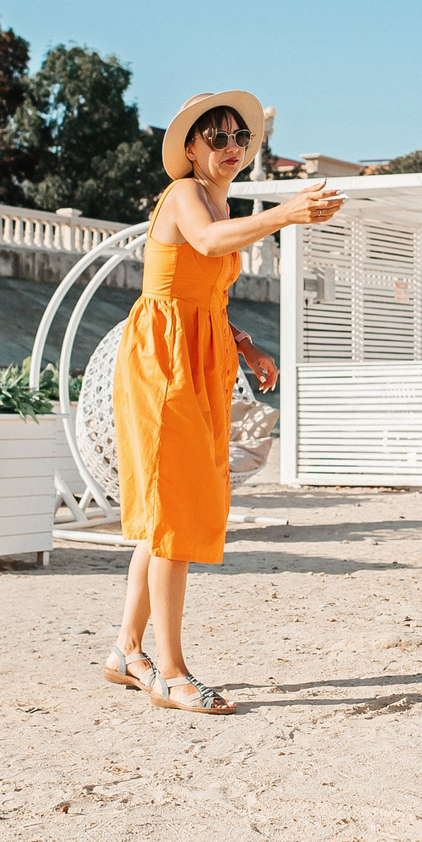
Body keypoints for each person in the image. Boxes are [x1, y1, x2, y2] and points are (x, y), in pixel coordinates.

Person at [103, 91, 340, 715]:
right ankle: (171, 672)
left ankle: (127, 652)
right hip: (164, 362)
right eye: (218, 138)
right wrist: (287, 213)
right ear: (190, 150)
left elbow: (201, 285)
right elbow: (207, 244)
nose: (233, 146)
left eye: (240, 137)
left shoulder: (219, 200)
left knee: (170, 510)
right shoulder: (186, 194)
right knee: (175, 512)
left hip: (199, 354)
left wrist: (244, 344)